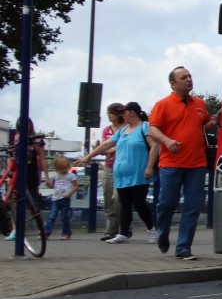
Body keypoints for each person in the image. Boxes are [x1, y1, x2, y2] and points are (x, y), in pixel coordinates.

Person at [148, 66, 217, 260]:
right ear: (173, 83)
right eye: (183, 77)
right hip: (171, 162)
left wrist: (211, 123)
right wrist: (168, 141)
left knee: (193, 206)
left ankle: (183, 247)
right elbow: (153, 130)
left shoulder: (200, 104)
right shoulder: (163, 104)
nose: (189, 79)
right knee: (166, 204)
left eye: (190, 76)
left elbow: (203, 126)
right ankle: (162, 231)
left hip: (197, 163)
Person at [78, 102, 158, 244]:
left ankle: (152, 230)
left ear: (132, 112)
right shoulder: (123, 130)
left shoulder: (144, 127)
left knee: (140, 203)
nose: (122, 115)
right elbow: (106, 145)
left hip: (138, 172)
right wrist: (88, 157)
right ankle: (123, 233)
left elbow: (154, 146)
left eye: (124, 112)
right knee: (124, 203)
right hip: (121, 174)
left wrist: (149, 167)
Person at [3, 118, 47, 241]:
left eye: (27, 123)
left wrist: (46, 177)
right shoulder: (15, 138)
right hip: (17, 171)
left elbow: (42, 159)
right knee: (14, 201)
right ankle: (14, 229)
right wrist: (9, 171)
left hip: (32, 172)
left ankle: (42, 227)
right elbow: (10, 155)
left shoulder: (37, 139)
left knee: (33, 202)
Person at [98, 103, 125, 240]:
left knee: (118, 198)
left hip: (121, 167)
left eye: (111, 113)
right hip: (108, 167)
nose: (109, 115)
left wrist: (111, 149)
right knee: (108, 198)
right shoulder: (107, 130)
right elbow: (103, 148)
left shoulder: (126, 128)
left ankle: (124, 226)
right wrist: (112, 149)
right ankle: (111, 229)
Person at [42, 155, 78, 239]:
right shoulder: (55, 176)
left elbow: (76, 186)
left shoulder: (71, 176)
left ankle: (66, 233)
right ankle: (47, 232)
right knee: (52, 215)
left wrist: (69, 193)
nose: (64, 171)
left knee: (64, 217)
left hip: (65, 198)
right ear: (57, 168)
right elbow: (53, 186)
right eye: (61, 169)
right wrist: (49, 185)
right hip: (55, 198)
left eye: (65, 168)